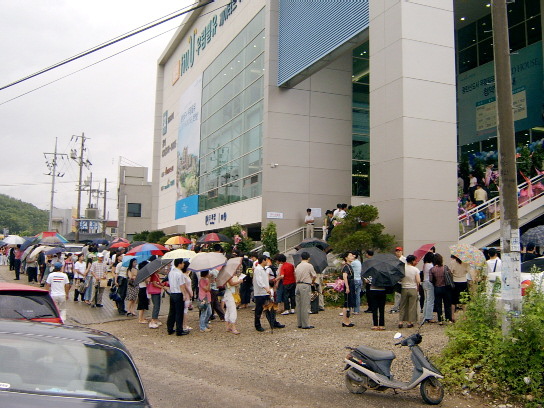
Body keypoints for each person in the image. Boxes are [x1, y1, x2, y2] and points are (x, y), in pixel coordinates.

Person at [253, 255, 283, 331]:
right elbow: (259, 281)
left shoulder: (264, 269)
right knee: (259, 309)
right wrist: (266, 288)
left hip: (265, 292)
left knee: (270, 307)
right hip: (260, 293)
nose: (267, 262)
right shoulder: (258, 269)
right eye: (266, 260)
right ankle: (257, 325)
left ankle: (273, 322)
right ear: (263, 260)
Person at [167, 259, 190, 336]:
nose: (183, 264)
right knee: (179, 313)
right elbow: (182, 285)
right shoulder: (179, 274)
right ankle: (179, 330)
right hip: (178, 293)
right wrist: (184, 294)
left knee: (172, 312)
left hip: (172, 293)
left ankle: (170, 328)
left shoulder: (171, 272)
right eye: (182, 263)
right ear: (179, 264)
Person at [294, 251, 317, 329]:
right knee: (305, 305)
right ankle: (305, 324)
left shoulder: (298, 266)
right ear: (308, 258)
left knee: (299, 305)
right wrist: (312, 282)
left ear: (301, 258)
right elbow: (314, 275)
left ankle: (299, 323)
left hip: (298, 285)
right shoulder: (309, 265)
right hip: (305, 285)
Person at [429, 253, 453, 324]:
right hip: (446, 288)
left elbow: (430, 280)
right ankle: (448, 319)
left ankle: (440, 320)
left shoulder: (432, 269)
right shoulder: (445, 268)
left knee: (438, 304)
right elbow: (450, 276)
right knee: (447, 304)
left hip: (437, 288)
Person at [398, 255, 421, 328]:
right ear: (412, 261)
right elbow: (418, 280)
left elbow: (400, 279)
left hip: (404, 288)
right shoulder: (415, 269)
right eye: (415, 260)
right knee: (412, 306)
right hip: (413, 288)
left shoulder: (402, 269)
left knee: (403, 305)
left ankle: (400, 321)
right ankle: (409, 322)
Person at [450, 255, 469, 321]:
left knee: (453, 301)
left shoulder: (453, 262)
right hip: (463, 281)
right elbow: (467, 271)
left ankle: (452, 316)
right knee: (464, 300)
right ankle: (465, 316)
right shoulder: (466, 263)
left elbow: (451, 272)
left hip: (455, 282)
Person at [341, 252, 355, 327]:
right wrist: (347, 287)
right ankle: (345, 320)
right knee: (346, 302)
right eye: (350, 255)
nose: (352, 257)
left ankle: (347, 319)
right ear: (346, 258)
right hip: (348, 284)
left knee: (349, 302)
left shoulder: (349, 266)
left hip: (351, 284)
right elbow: (345, 276)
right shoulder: (346, 267)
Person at [389, 247, 406, 313]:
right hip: (396, 278)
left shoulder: (404, 259)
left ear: (402, 252)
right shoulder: (394, 259)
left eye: (399, 251)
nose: (398, 252)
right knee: (397, 294)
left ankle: (399, 307)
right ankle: (396, 307)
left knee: (401, 294)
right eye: (397, 251)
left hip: (402, 278)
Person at [421, 252, 436, 323]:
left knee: (426, 300)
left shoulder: (424, 265)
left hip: (424, 282)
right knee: (430, 300)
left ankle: (425, 315)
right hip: (429, 283)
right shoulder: (431, 265)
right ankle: (429, 317)